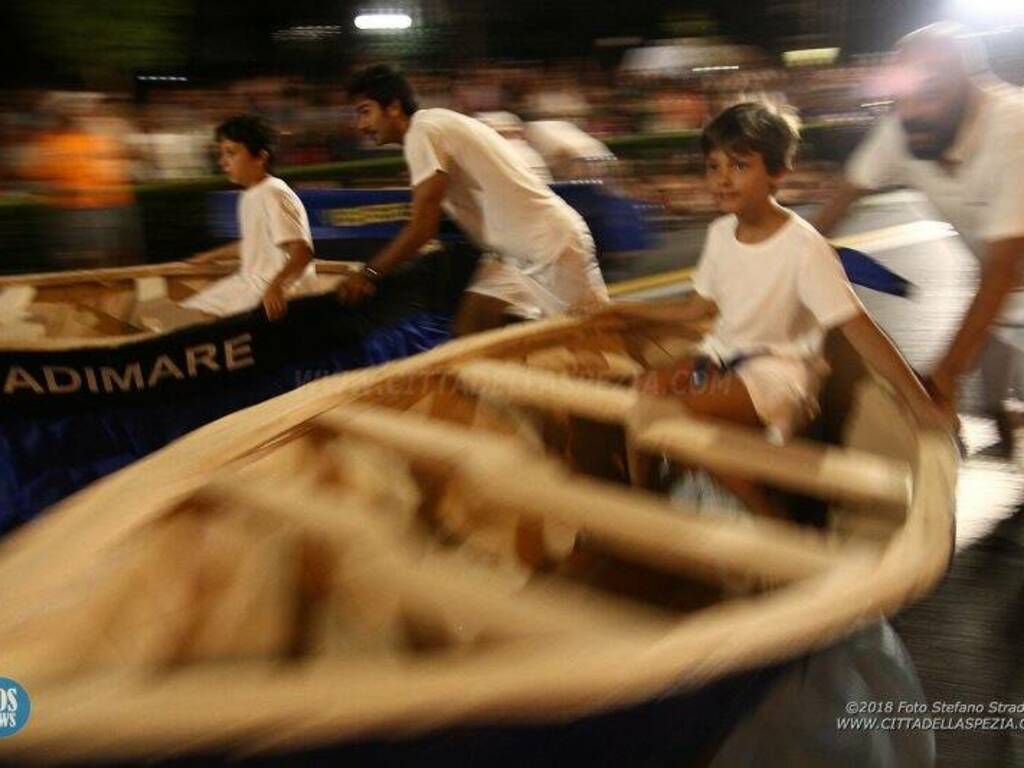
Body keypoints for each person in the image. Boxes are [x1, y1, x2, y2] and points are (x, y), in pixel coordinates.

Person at [633, 102, 949, 512]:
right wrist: (617, 312)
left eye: (739, 166)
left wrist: (919, 402)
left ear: (778, 173)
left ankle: (770, 516)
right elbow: (696, 309)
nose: (723, 179)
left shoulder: (803, 246)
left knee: (677, 408)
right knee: (644, 391)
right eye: (713, 167)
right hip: (723, 357)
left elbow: (858, 327)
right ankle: (643, 504)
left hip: (779, 371)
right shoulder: (719, 233)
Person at [814, 22, 1024, 456]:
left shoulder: (1012, 129)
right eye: (900, 96)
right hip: (999, 282)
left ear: (969, 88)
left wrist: (944, 376)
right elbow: (836, 207)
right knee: (994, 406)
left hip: (1004, 275)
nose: (911, 112)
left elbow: (1003, 270)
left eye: (930, 92)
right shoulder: (904, 127)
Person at [339, 65, 609, 336]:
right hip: (514, 257)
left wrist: (369, 274)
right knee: (470, 335)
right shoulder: (434, 124)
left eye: (365, 111)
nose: (361, 125)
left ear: (394, 107)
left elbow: (422, 228)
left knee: (601, 349)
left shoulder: (422, 133)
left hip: (549, 248)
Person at [183, 115, 317, 321]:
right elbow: (256, 243)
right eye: (222, 154)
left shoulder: (274, 192)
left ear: (260, 158)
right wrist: (210, 256)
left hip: (272, 289)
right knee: (186, 310)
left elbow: (302, 251)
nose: (223, 162)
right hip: (251, 283)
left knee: (189, 319)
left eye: (231, 153)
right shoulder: (249, 195)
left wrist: (276, 287)